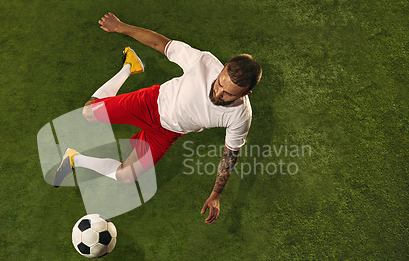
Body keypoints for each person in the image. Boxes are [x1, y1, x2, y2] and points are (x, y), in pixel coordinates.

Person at [54, 12, 262, 225]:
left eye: (229, 94)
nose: (218, 93)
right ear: (221, 71)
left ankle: (74, 158)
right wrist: (119, 26)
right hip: (149, 104)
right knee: (88, 113)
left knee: (127, 176)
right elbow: (160, 44)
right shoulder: (204, 63)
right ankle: (129, 67)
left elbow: (230, 155)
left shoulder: (240, 116)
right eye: (219, 83)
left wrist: (216, 195)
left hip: (167, 133)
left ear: (245, 94)